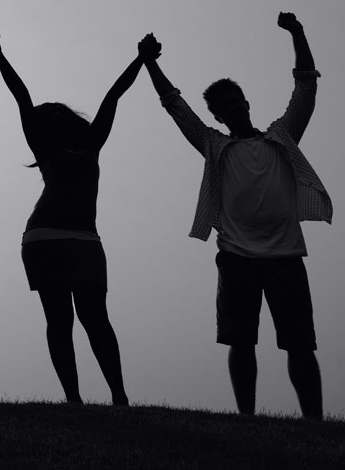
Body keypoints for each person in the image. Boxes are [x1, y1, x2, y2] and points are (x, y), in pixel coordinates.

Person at [140, 12, 329, 420]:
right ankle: (246, 419)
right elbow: (175, 106)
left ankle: (313, 421)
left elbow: (306, 86)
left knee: (299, 344)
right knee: (241, 342)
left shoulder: (281, 138)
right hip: (238, 257)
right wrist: (149, 62)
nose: (231, 110)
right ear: (219, 117)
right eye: (222, 109)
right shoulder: (214, 146)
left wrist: (298, 32)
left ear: (245, 103)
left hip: (285, 257)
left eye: (234, 102)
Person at [0, 23, 133, 406]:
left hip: (74, 239)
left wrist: (141, 60)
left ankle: (109, 396)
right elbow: (22, 95)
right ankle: (85, 398)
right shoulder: (63, 147)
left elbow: (113, 95)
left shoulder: (89, 143)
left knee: (85, 319)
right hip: (49, 238)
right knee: (77, 320)